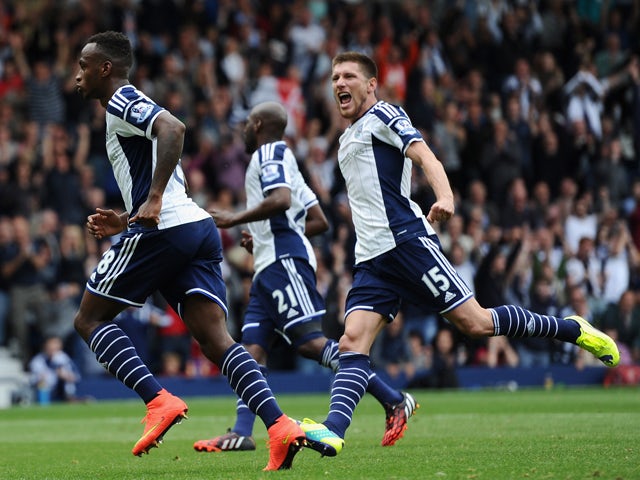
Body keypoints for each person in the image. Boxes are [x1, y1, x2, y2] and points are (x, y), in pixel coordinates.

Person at [298, 51, 621, 457]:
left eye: (348, 76)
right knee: (351, 342)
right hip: (372, 258)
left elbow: (424, 154)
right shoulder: (346, 137)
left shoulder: (384, 116)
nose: (339, 84)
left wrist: (445, 195)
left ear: (371, 84)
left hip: (407, 244)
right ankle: (333, 429)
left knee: (477, 323)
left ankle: (572, 329)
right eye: (334, 77)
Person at [74, 31, 304, 471]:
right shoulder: (123, 108)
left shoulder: (121, 99)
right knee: (217, 341)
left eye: (83, 65)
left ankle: (157, 400)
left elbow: (173, 127)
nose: (77, 75)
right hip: (194, 227)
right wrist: (127, 217)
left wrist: (154, 198)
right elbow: (158, 163)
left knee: (88, 318)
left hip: (169, 227)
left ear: (105, 67)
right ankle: (279, 426)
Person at [193, 101, 416, 453]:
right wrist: (263, 233)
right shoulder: (287, 162)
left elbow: (280, 201)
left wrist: (236, 220)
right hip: (269, 264)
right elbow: (318, 221)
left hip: (285, 263)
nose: (244, 130)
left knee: (310, 342)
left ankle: (393, 399)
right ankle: (241, 431)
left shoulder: (269, 153)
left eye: (248, 123)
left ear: (260, 124)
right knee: (251, 350)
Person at [28, 335, 80, 403]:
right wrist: (40, 378)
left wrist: (64, 375)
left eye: (56, 344)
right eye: (51, 344)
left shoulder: (64, 358)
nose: (53, 347)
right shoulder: (37, 361)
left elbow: (77, 377)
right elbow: (32, 380)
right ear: (45, 345)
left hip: (64, 394)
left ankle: (72, 399)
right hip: (45, 393)